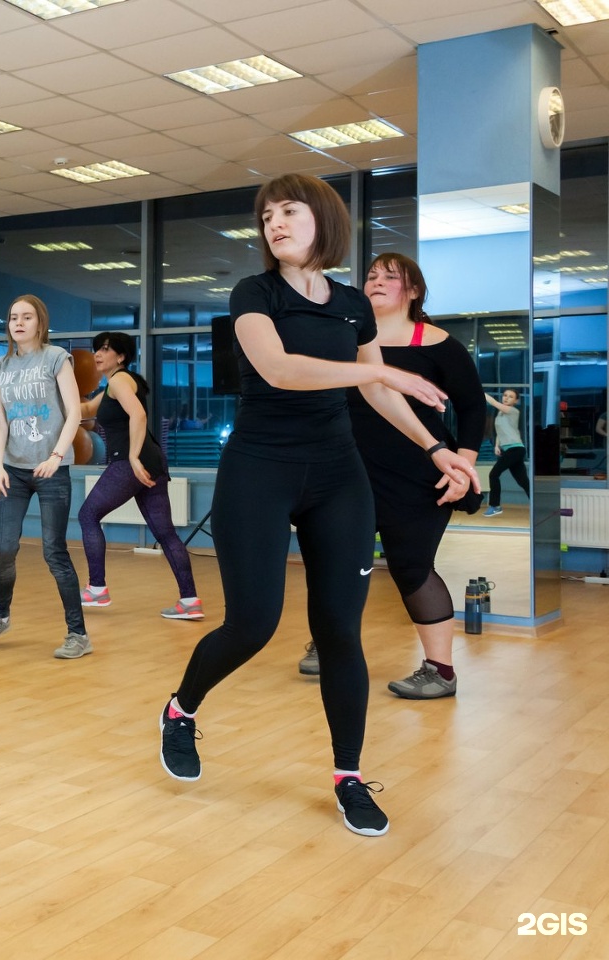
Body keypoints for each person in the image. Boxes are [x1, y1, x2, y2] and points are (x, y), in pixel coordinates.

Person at [155, 174, 478, 838]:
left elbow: (375, 396)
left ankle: (349, 777)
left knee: (339, 631)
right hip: (260, 469)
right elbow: (279, 369)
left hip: (338, 476)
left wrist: (432, 448)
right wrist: (380, 369)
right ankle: (181, 710)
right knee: (254, 624)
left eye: (289, 211)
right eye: (267, 214)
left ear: (322, 220)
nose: (274, 222)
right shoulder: (255, 294)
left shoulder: (353, 304)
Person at [338, 252, 484, 699]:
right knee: (337, 564)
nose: (377, 281)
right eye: (371, 275)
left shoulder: (440, 344)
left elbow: (473, 408)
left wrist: (462, 465)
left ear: (414, 291)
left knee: (411, 566)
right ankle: (329, 646)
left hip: (419, 475)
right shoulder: (346, 342)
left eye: (390, 276)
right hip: (349, 471)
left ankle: (440, 671)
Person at [0, 294, 90, 659]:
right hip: (14, 471)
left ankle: (78, 634)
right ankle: (1, 615)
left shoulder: (56, 358)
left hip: (51, 470)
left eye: (26, 317)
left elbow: (74, 412)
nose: (19, 323)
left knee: (53, 550)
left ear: (40, 323)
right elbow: (0, 420)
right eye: (13, 318)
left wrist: (58, 455)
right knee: (5, 547)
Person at [76, 331, 202, 620]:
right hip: (153, 461)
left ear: (120, 356)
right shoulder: (113, 385)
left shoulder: (119, 380)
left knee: (87, 515)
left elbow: (139, 416)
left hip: (131, 462)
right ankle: (190, 601)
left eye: (105, 349)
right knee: (165, 532)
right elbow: (84, 410)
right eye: (97, 349)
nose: (98, 354)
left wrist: (132, 457)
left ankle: (97, 588)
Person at [483, 388, 529, 517]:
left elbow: (493, 402)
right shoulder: (501, 414)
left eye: (511, 396)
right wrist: (497, 445)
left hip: (516, 449)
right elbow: (500, 431)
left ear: (516, 400)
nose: (506, 398)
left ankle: (495, 506)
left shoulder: (513, 411)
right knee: (523, 481)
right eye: (505, 395)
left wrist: (481, 392)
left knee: (493, 474)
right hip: (510, 450)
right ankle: (540, 503)